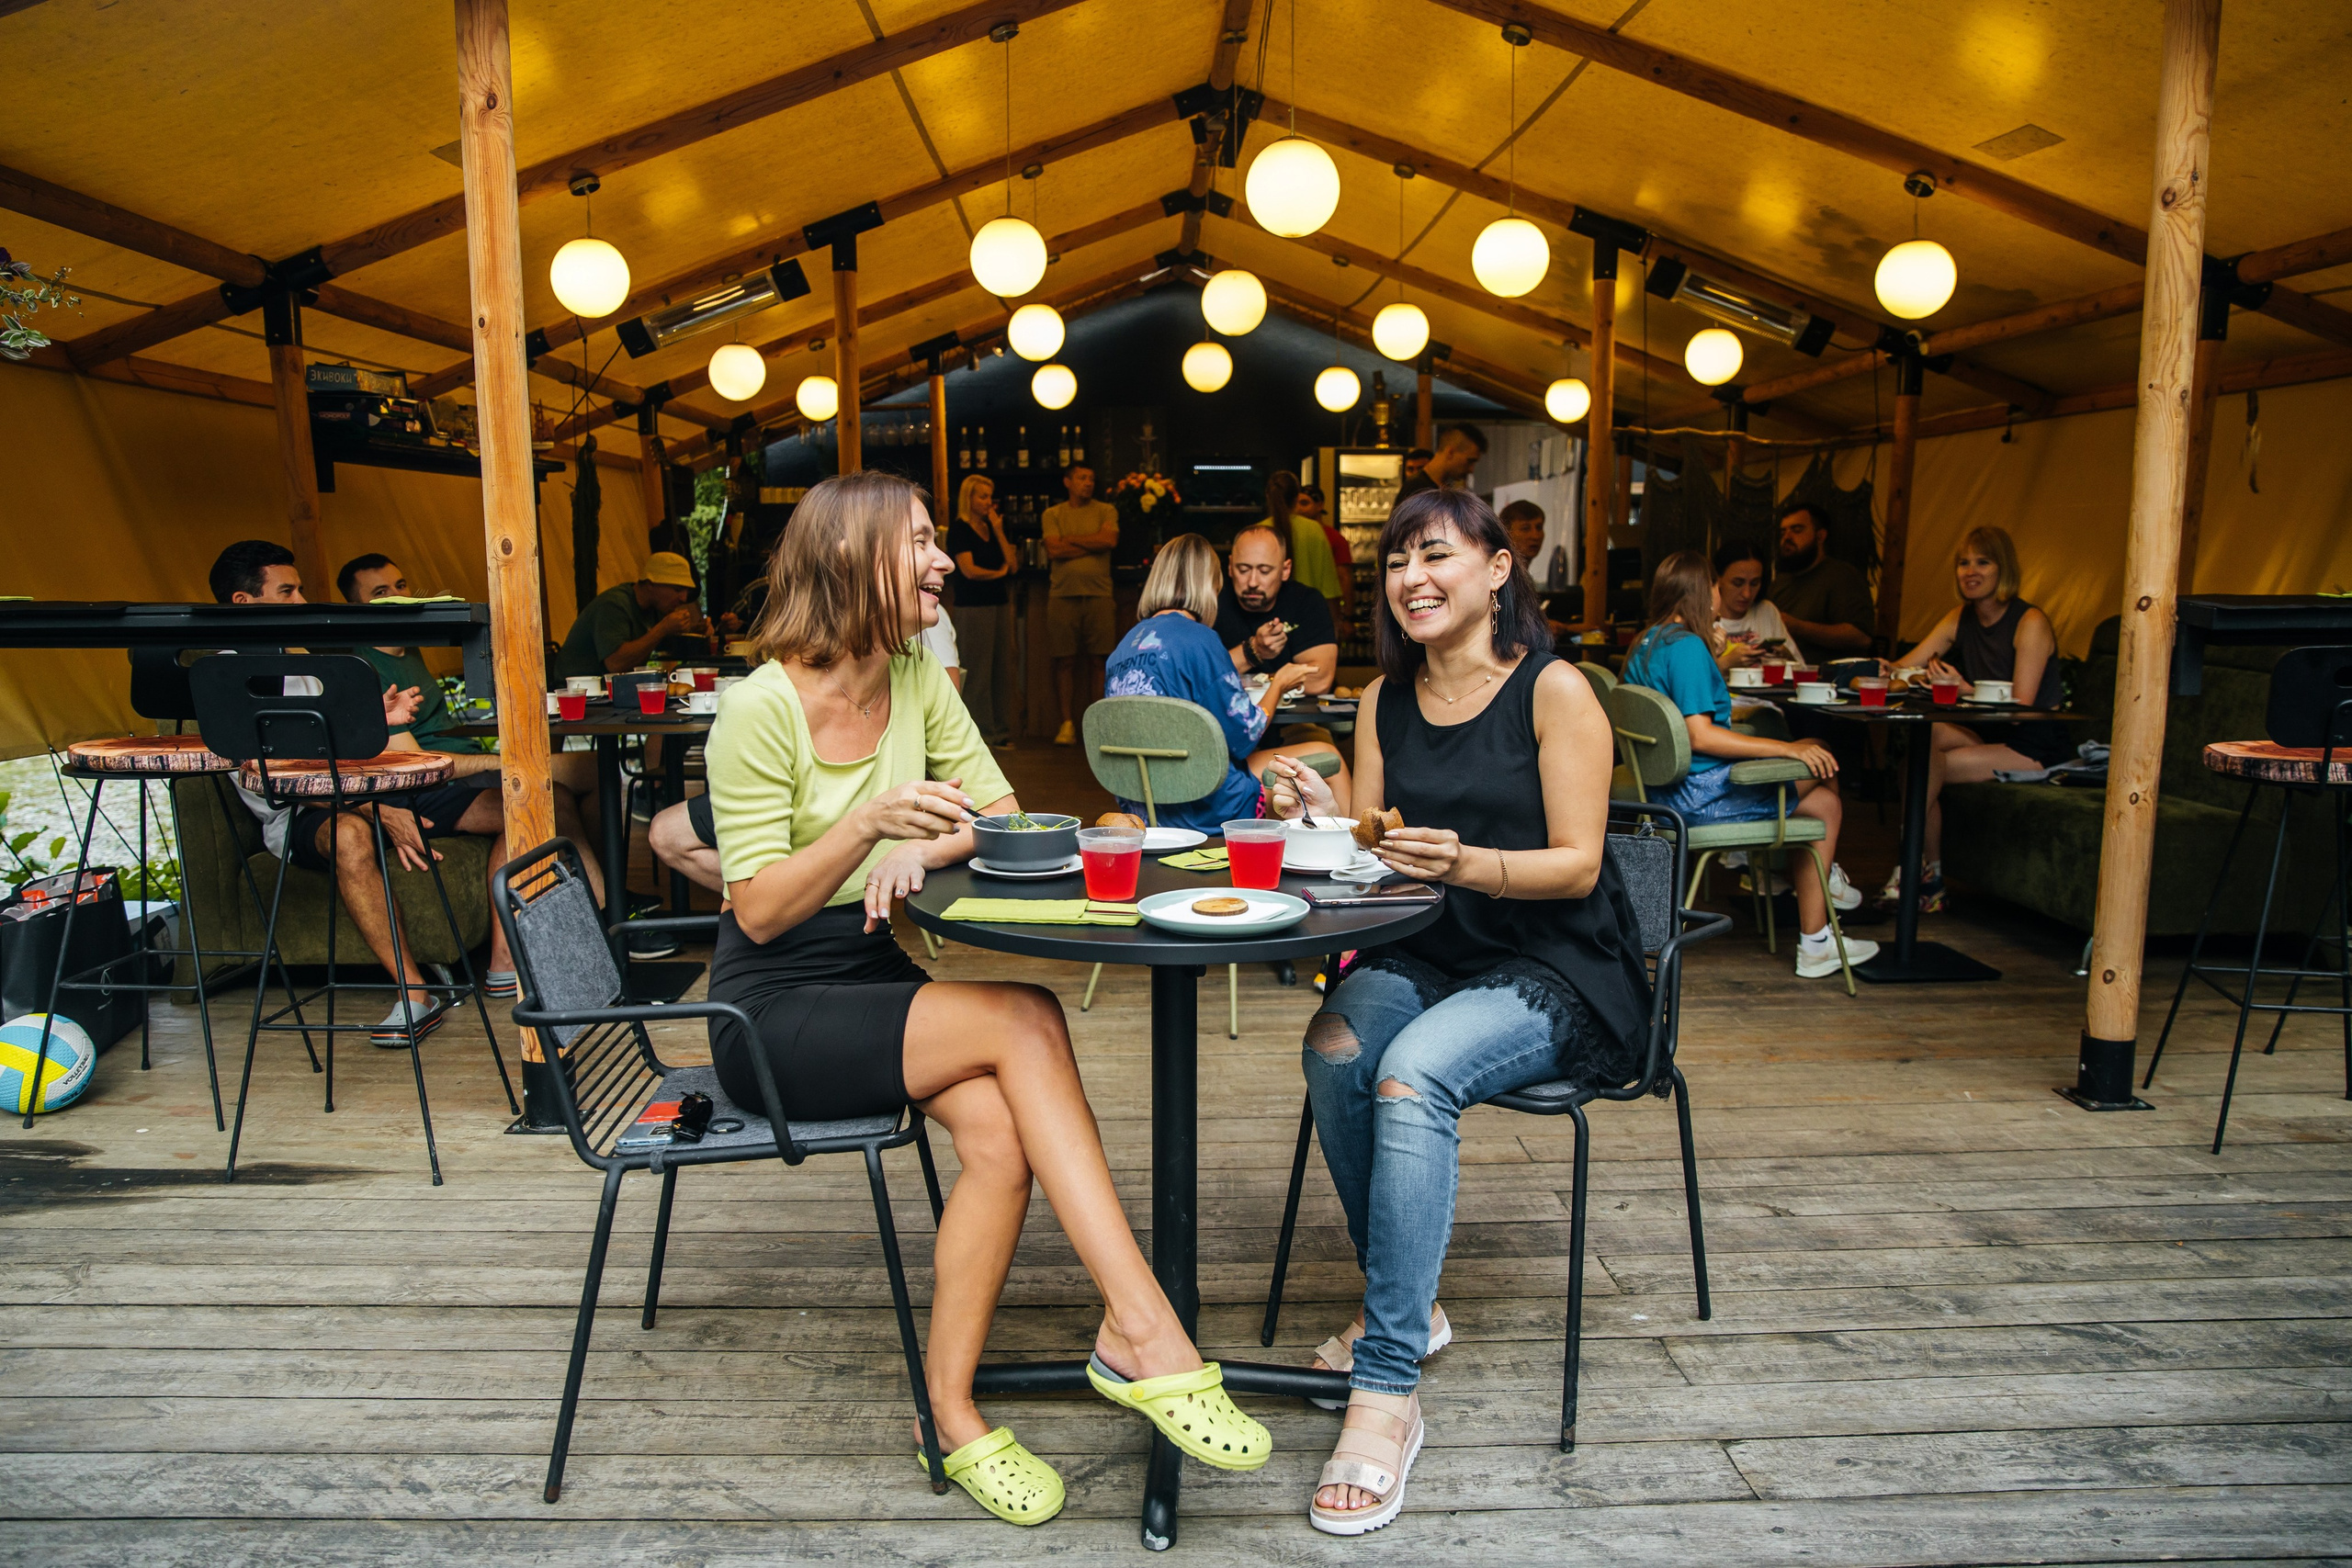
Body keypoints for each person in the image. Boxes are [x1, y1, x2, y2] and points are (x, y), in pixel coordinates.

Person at [704, 470, 1269, 1523]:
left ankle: (950, 1414)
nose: (943, 560)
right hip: (770, 1010)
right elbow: (761, 911)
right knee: (1025, 1014)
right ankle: (1140, 1327)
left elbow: (1005, 815)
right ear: (850, 557)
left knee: (1003, 1139)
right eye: (920, 541)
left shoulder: (914, 669)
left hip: (872, 974)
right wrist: (869, 826)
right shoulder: (759, 708)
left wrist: (923, 847)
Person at [1260, 488, 1649, 1535]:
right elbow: (1378, 841)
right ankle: (1412, 1304)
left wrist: (1469, 862)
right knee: (1336, 1045)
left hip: (1555, 964)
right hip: (1432, 948)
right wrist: (1325, 817)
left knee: (1411, 1073)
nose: (1411, 578)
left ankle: (1387, 1385)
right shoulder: (1385, 699)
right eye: (1396, 561)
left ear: (1496, 569)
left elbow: (1578, 866)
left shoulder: (1554, 690)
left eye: (1435, 554)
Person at [209, 541, 487, 1043]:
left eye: (300, 590)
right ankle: (415, 994)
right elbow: (281, 781)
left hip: (359, 792)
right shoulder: (223, 681)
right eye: (287, 592)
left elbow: (334, 744)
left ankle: (529, 959)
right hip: (299, 812)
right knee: (349, 836)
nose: (301, 601)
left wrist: (376, 721)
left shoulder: (301, 661)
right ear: (243, 603)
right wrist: (377, 810)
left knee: (513, 802)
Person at [1623, 551, 1874, 976]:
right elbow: (1700, 735)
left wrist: (1712, 652)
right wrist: (1785, 750)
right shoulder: (1687, 648)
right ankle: (1819, 921)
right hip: (1699, 798)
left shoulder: (1649, 641)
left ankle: (1818, 924)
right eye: (1716, 586)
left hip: (1661, 792)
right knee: (1819, 762)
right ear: (1705, 592)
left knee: (1822, 790)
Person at [1877, 525, 2069, 912]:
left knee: (1920, 770)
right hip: (1987, 732)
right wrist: (1882, 670)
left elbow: (2021, 707)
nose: (1970, 571)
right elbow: (1904, 665)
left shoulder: (2030, 621)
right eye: (1963, 563)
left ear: (2003, 569)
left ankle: (1915, 869)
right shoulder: (1960, 617)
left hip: (2032, 742)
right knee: (1924, 742)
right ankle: (1927, 875)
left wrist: (1964, 689)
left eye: (1983, 562)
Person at [1102, 534, 1346, 829]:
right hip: (1206, 802)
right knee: (1329, 757)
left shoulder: (1122, 648)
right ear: (1210, 584)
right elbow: (1245, 735)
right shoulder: (1200, 639)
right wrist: (1279, 683)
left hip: (1145, 803)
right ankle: (1354, 851)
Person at [1041, 461, 1119, 746]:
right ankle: (1067, 724)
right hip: (1062, 595)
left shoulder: (1106, 511)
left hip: (1100, 594)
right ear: (1068, 482)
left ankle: (1096, 725)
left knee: (1100, 661)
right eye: (1082, 478)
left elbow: (1108, 540)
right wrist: (1091, 541)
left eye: (1091, 479)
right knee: (1065, 661)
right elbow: (1053, 549)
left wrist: (1070, 541)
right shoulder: (1053, 514)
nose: (1088, 483)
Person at [1215, 525, 1337, 694]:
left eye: (1264, 571)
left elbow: (1319, 681)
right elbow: (1198, 677)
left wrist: (1255, 680)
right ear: (1230, 566)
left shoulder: (1306, 601)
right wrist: (1253, 650)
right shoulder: (1212, 603)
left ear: (1285, 570)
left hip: (1295, 712)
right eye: (1243, 570)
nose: (1252, 582)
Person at [555, 552, 707, 680]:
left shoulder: (655, 608)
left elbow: (663, 645)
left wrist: (696, 633)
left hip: (611, 687)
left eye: (686, 591)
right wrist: (662, 629)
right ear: (650, 584)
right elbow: (616, 664)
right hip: (577, 690)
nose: (683, 598)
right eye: (677, 590)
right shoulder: (613, 605)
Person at [946, 474, 1016, 748]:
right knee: (977, 672)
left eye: (990, 496)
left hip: (999, 604)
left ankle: (1000, 731)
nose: (989, 502)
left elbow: (1012, 565)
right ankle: (980, 735)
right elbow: (969, 570)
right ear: (969, 498)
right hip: (973, 607)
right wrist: (998, 573)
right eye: (983, 496)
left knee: (1001, 669)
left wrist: (998, 530)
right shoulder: (959, 530)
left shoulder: (993, 527)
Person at [1762, 502, 1873, 654]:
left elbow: (1861, 637)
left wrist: (1798, 627)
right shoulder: (1781, 582)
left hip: (1825, 668)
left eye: (1797, 530)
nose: (1787, 537)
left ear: (1820, 536)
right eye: (1783, 532)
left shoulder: (1842, 576)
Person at [1709, 540, 1803, 670]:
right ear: (1718, 579)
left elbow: (1802, 670)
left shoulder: (1766, 611)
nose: (1747, 594)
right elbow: (1691, 677)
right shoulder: (1704, 616)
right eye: (1738, 583)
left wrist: (1785, 655)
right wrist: (1726, 663)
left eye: (1754, 583)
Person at [1499, 499, 1576, 645]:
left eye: (1539, 527)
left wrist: (1567, 628)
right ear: (1507, 533)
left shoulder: (1523, 576)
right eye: (1525, 528)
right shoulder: (1502, 574)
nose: (1535, 536)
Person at [1266, 469, 1342, 612]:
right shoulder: (1314, 529)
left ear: (1268, 497)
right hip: (1309, 613)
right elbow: (1329, 587)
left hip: (1267, 614)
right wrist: (1339, 618)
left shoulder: (1259, 531)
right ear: (1297, 498)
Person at [1296, 482, 1353, 621]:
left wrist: (1347, 616)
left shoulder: (1334, 538)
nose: (1298, 509)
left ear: (1320, 505)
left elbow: (1344, 577)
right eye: (1295, 504)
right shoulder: (1291, 534)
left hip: (1326, 612)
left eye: (1304, 503)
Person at [1393, 423, 1485, 505]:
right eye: (1470, 461)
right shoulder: (1416, 489)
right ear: (1450, 453)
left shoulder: (1438, 488)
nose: (1471, 469)